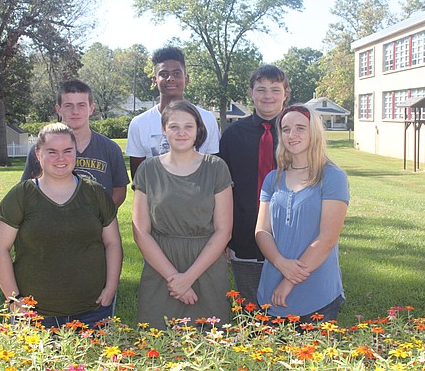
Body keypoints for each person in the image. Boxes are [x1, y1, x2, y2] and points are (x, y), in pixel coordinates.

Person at [0, 123, 123, 328]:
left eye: (67, 151)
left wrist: (111, 287)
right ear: (37, 154)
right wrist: (14, 299)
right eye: (52, 152)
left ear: (75, 152)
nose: (61, 158)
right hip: (35, 315)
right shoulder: (22, 195)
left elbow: (113, 243)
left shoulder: (95, 194)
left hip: (93, 311)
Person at [132, 100, 233, 329]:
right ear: (163, 129)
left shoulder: (217, 168)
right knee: (157, 345)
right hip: (161, 268)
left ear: (198, 130)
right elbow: (140, 232)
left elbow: (224, 230)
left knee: (209, 347)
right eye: (174, 126)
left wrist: (188, 278)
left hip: (206, 267)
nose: (181, 133)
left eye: (188, 126)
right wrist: (174, 278)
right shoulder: (148, 170)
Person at [255, 105, 349, 322]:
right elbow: (262, 230)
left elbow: (327, 239)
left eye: (300, 128)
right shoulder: (272, 179)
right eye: (286, 129)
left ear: (313, 132)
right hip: (271, 289)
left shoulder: (332, 177)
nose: (291, 135)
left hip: (316, 292)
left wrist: (288, 281)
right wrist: (280, 263)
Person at [218, 65, 290, 306]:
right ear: (250, 92)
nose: (267, 95)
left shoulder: (298, 134)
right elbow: (223, 191)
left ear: (285, 93)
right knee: (249, 305)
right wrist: (226, 238)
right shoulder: (233, 135)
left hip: (288, 233)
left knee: (287, 304)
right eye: (261, 89)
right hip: (244, 233)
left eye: (274, 89)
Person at [21, 79, 129, 209]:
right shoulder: (41, 151)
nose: (75, 111)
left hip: (98, 226)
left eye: (81, 105)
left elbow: (119, 189)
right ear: (58, 109)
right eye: (68, 105)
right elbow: (26, 190)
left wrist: (102, 215)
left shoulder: (110, 149)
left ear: (91, 108)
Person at [126, 46, 219, 179]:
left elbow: (213, 171)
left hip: (199, 197)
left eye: (176, 73)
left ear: (186, 78)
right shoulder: (139, 123)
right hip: (156, 199)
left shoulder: (207, 119)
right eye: (164, 74)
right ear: (154, 80)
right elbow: (139, 179)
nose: (170, 78)